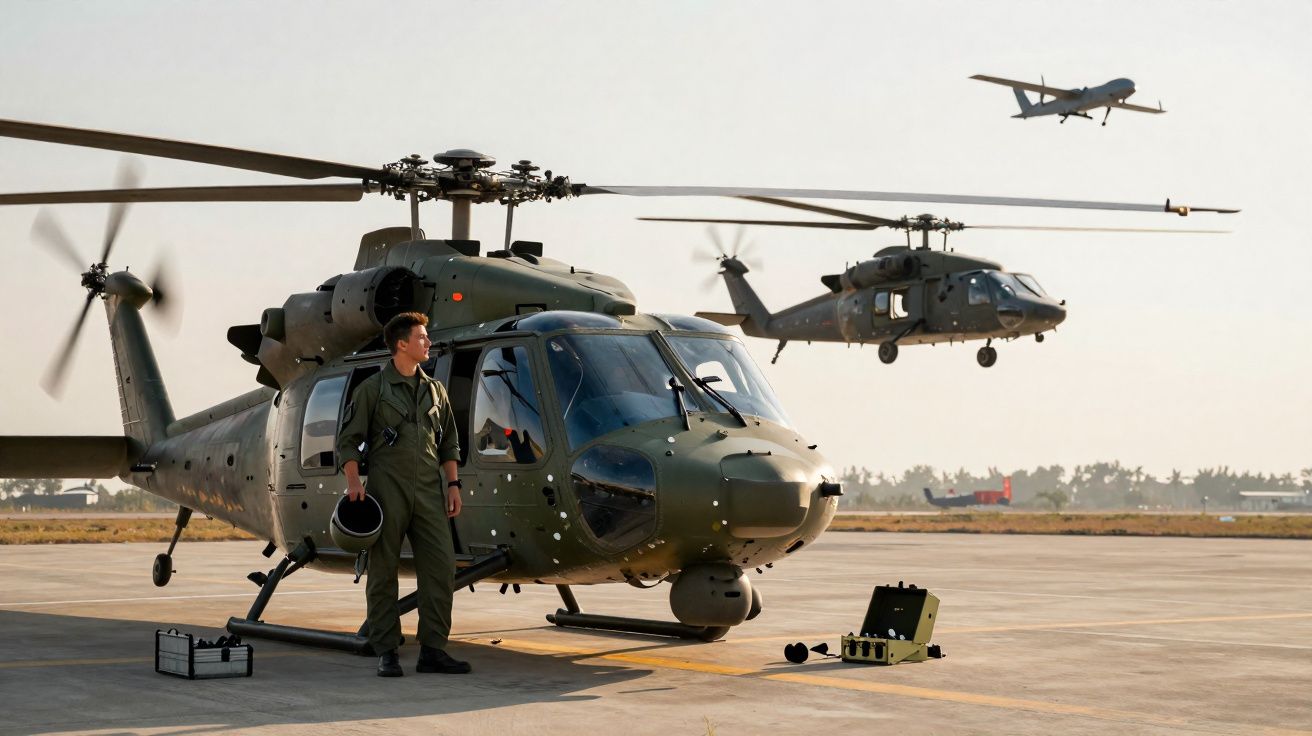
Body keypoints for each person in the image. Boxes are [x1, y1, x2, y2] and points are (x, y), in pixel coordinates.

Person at [337, 311, 467, 677]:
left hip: (429, 493)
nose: (428, 343)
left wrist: (453, 484)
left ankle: (433, 650)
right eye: (422, 337)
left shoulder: (435, 390)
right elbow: (348, 441)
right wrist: (353, 482)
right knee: (383, 572)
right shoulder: (373, 390)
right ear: (401, 344)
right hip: (386, 491)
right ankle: (387, 651)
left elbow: (450, 442)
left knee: (441, 568)